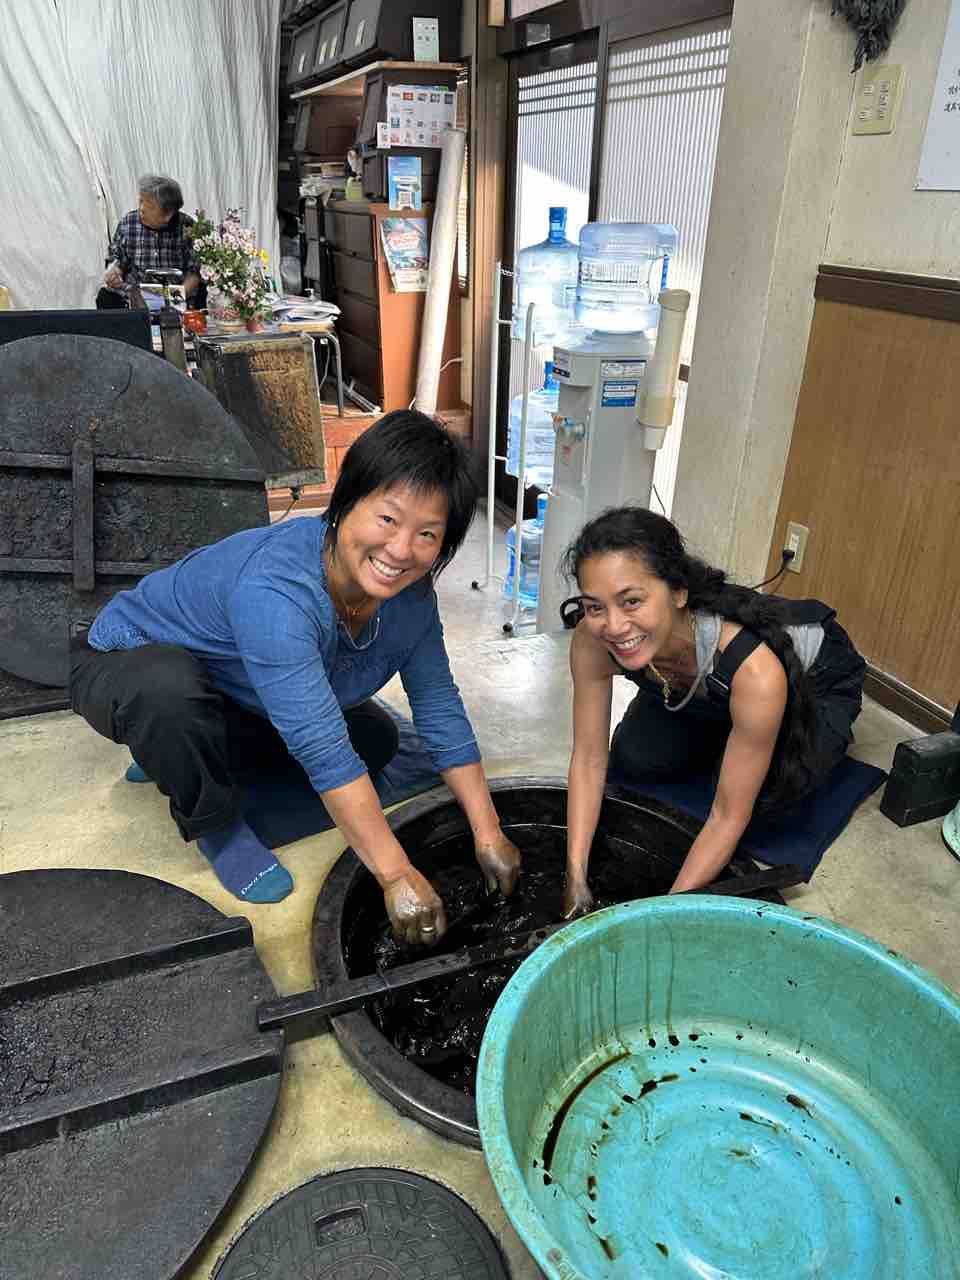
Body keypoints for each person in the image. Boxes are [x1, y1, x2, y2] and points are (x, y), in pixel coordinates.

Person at [69, 411, 521, 945]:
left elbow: (439, 706)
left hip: (229, 685)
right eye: (387, 519)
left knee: (376, 740)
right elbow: (321, 748)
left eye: (427, 534)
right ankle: (215, 823)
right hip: (126, 662)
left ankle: (175, 754)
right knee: (167, 697)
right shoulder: (277, 589)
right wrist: (396, 874)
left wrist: (489, 833)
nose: (401, 550)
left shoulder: (412, 599)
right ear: (347, 500)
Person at [559, 507, 866, 916]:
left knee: (770, 801)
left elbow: (726, 816)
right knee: (633, 760)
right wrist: (575, 874)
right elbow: (589, 758)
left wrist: (659, 915)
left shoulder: (755, 670)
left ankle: (754, 732)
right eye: (595, 607)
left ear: (679, 592)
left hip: (820, 681)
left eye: (631, 601)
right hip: (698, 682)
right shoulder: (593, 639)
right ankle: (733, 727)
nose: (614, 626)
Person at [98, 174, 202, 310]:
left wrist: (170, 300)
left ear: (168, 214)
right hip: (134, 296)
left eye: (150, 206)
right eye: (141, 201)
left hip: (176, 296)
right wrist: (114, 272)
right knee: (105, 297)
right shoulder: (128, 223)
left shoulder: (187, 227)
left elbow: (195, 273)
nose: (142, 209)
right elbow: (116, 258)